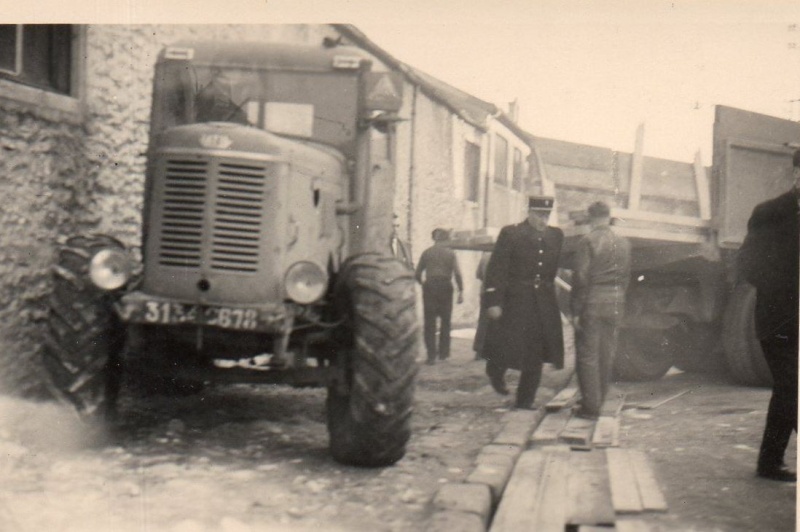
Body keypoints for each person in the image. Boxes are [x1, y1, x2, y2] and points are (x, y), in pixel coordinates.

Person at [737, 148, 799, 482]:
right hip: (780, 318)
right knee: (790, 388)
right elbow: (747, 263)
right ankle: (769, 462)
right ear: (795, 176)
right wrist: (786, 287)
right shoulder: (769, 213)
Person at [483, 196, 565, 409]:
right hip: (515, 301)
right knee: (506, 345)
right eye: (538, 214)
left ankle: (525, 400)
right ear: (529, 212)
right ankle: (495, 370)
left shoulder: (556, 236)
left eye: (546, 215)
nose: (542, 219)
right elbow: (497, 270)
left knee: (535, 352)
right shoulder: (511, 234)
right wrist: (494, 300)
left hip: (542, 303)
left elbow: (553, 269)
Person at [570, 201, 631, 420]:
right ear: (609, 217)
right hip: (616, 302)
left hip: (593, 302)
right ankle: (599, 400)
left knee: (588, 355)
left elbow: (581, 277)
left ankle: (590, 407)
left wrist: (576, 310)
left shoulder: (587, 241)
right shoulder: (623, 243)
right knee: (607, 353)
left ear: (590, 217)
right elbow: (626, 277)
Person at [415, 228, 464, 364]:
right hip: (445, 286)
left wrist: (424, 284)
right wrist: (461, 291)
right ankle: (443, 354)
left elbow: (417, 273)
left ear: (434, 239)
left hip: (430, 286)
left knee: (429, 322)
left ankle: (431, 356)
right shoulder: (451, 254)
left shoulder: (426, 253)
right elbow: (458, 273)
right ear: (446, 239)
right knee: (446, 321)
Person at [472, 251, 492, 361]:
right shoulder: (505, 255)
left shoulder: (485, 257)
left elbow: (478, 274)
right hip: (499, 293)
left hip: (485, 292)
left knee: (483, 321)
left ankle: (479, 351)